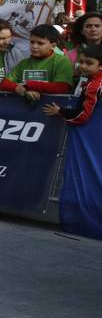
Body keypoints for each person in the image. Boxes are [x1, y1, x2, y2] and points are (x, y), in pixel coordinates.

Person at [45, 45, 102, 236]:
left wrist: (59, 111)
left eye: (89, 63)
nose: (83, 66)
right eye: (82, 62)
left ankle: (87, 224)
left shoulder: (95, 85)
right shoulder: (91, 82)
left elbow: (83, 116)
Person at [0, 24, 75, 103]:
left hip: (50, 109)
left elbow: (61, 87)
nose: (34, 46)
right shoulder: (24, 62)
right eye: (32, 42)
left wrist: (27, 85)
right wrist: (21, 90)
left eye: (40, 43)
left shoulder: (62, 61)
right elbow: (4, 84)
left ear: (53, 46)